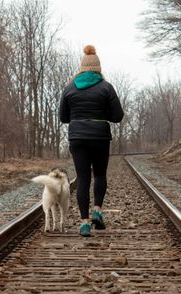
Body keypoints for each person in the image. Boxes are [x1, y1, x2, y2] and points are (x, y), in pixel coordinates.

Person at [59, 45, 124, 237]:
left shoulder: (70, 87)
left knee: (82, 178)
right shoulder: (106, 87)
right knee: (100, 175)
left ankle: (84, 223)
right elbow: (118, 116)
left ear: (82, 66)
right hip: (100, 137)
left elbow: (63, 117)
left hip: (77, 138)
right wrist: (102, 112)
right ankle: (97, 210)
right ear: (98, 67)